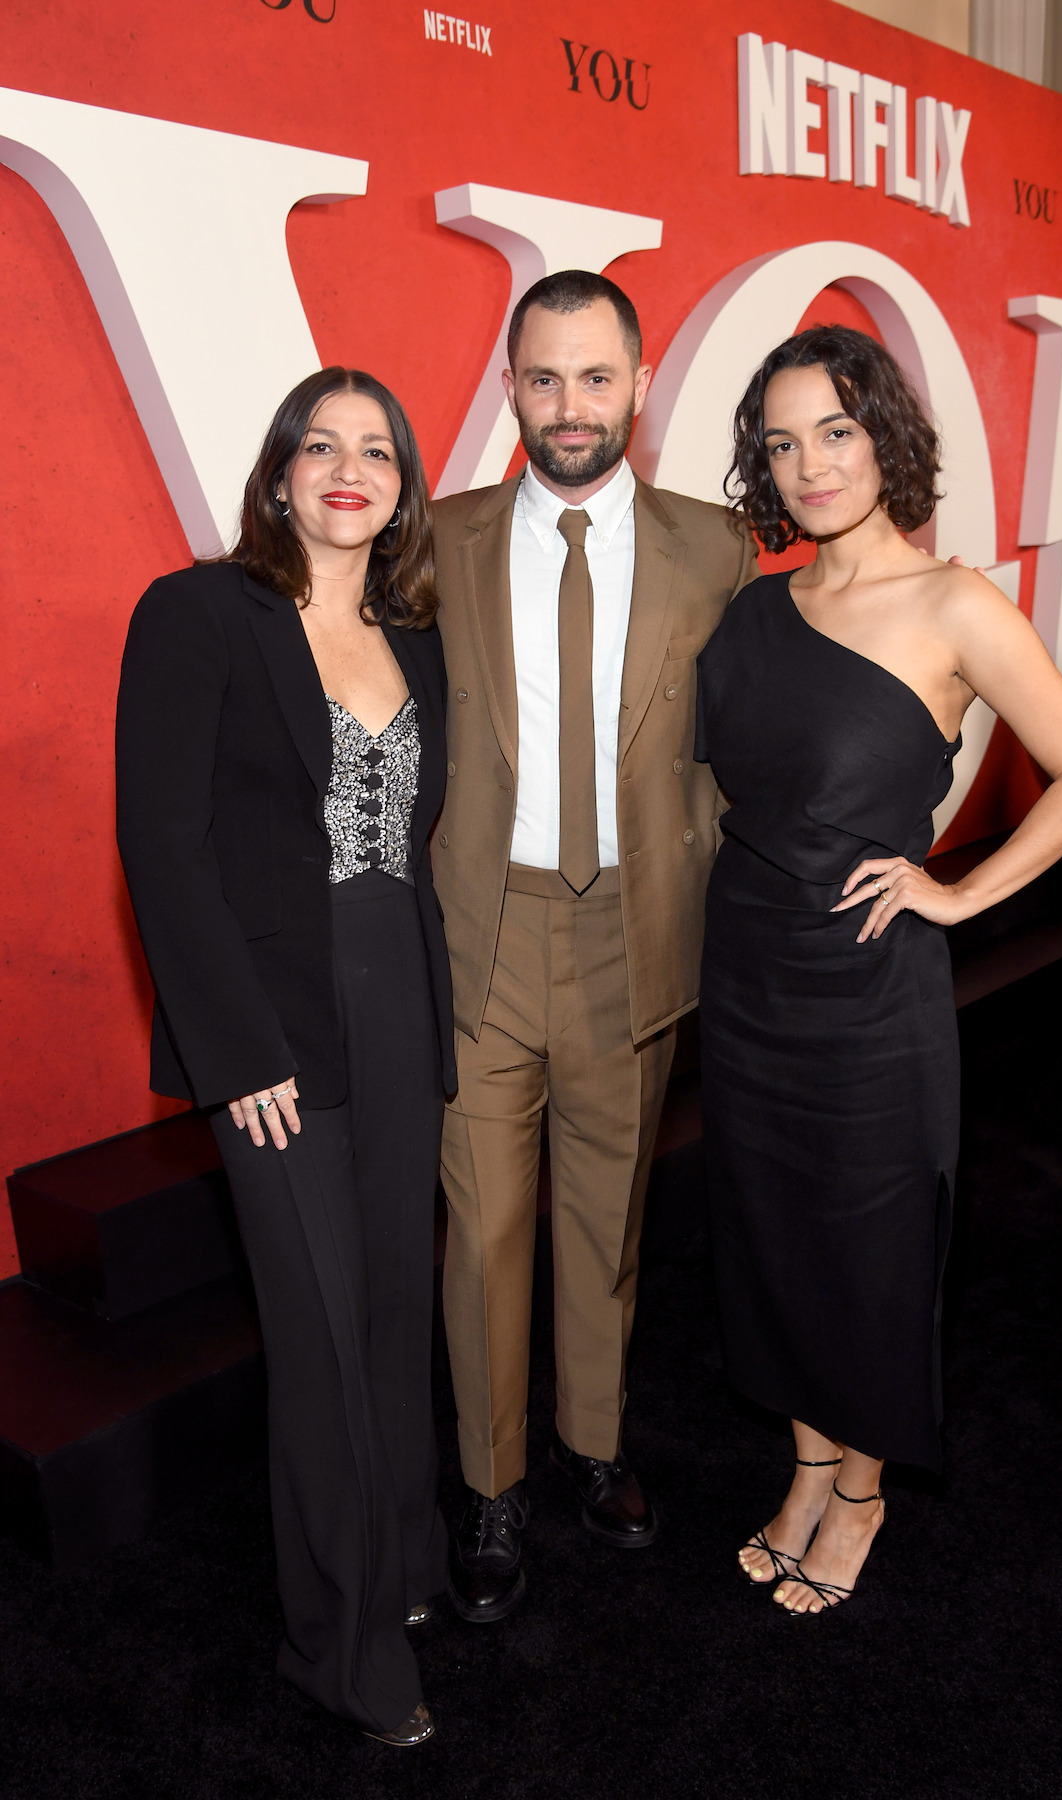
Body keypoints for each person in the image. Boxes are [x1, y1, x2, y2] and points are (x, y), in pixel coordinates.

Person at [697, 325, 1062, 1615]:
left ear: (888, 433)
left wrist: (957, 891)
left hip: (869, 992)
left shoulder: (954, 604)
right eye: (783, 440)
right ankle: (808, 1462)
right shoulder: (758, 607)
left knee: (864, 1241)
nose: (813, 463)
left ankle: (864, 1494)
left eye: (837, 429)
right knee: (768, 1231)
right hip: (747, 973)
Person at [115, 368, 455, 1743]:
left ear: (401, 488)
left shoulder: (412, 633)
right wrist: (235, 1050)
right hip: (274, 1031)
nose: (348, 468)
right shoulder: (198, 612)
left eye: (376, 450)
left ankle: (405, 1566)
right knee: (316, 1338)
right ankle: (343, 1648)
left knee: (390, 1313)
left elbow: (416, 854)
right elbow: (163, 846)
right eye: (321, 445)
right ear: (278, 474)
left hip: (398, 1010)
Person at [430, 271, 758, 1621]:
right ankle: (493, 1481)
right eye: (544, 377)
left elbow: (756, 736)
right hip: (480, 930)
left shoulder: (720, 548)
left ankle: (595, 1443)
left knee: (604, 1219)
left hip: (638, 932)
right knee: (485, 1226)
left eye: (597, 377)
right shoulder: (429, 541)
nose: (571, 407)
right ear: (511, 386)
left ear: (639, 389)